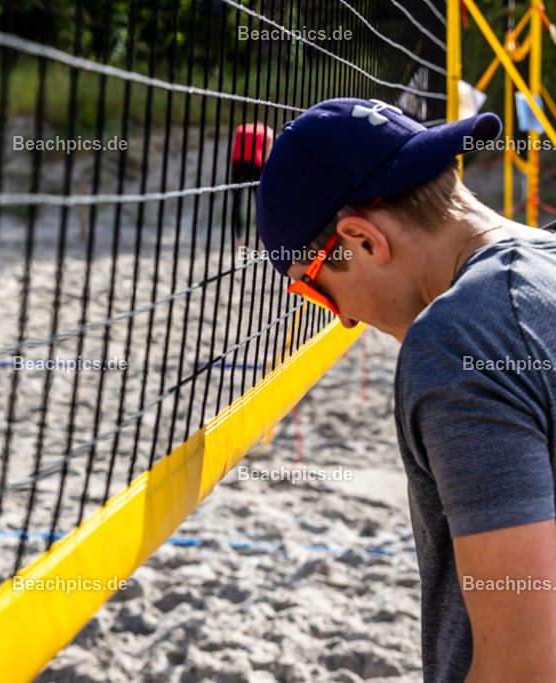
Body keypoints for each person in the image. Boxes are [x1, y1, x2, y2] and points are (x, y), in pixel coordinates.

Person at [257, 97, 556, 682]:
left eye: (315, 290)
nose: (341, 320)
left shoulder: (460, 340)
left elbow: (523, 668)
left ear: (364, 240)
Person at [229, 122, 273, 249]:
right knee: (259, 203)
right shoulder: (266, 130)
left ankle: (238, 239)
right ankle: (261, 242)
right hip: (255, 164)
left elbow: (234, 147)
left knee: (236, 203)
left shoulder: (240, 128)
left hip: (237, 164)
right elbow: (268, 154)